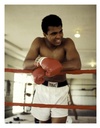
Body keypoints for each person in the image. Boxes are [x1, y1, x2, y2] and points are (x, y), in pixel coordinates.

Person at [23, 14, 81, 123]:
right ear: (45, 34)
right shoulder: (39, 42)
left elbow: (76, 64)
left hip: (61, 89)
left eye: (60, 31)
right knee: (43, 122)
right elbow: (25, 64)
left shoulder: (67, 42)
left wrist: (55, 66)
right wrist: (42, 61)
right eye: (54, 33)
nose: (59, 36)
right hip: (42, 88)